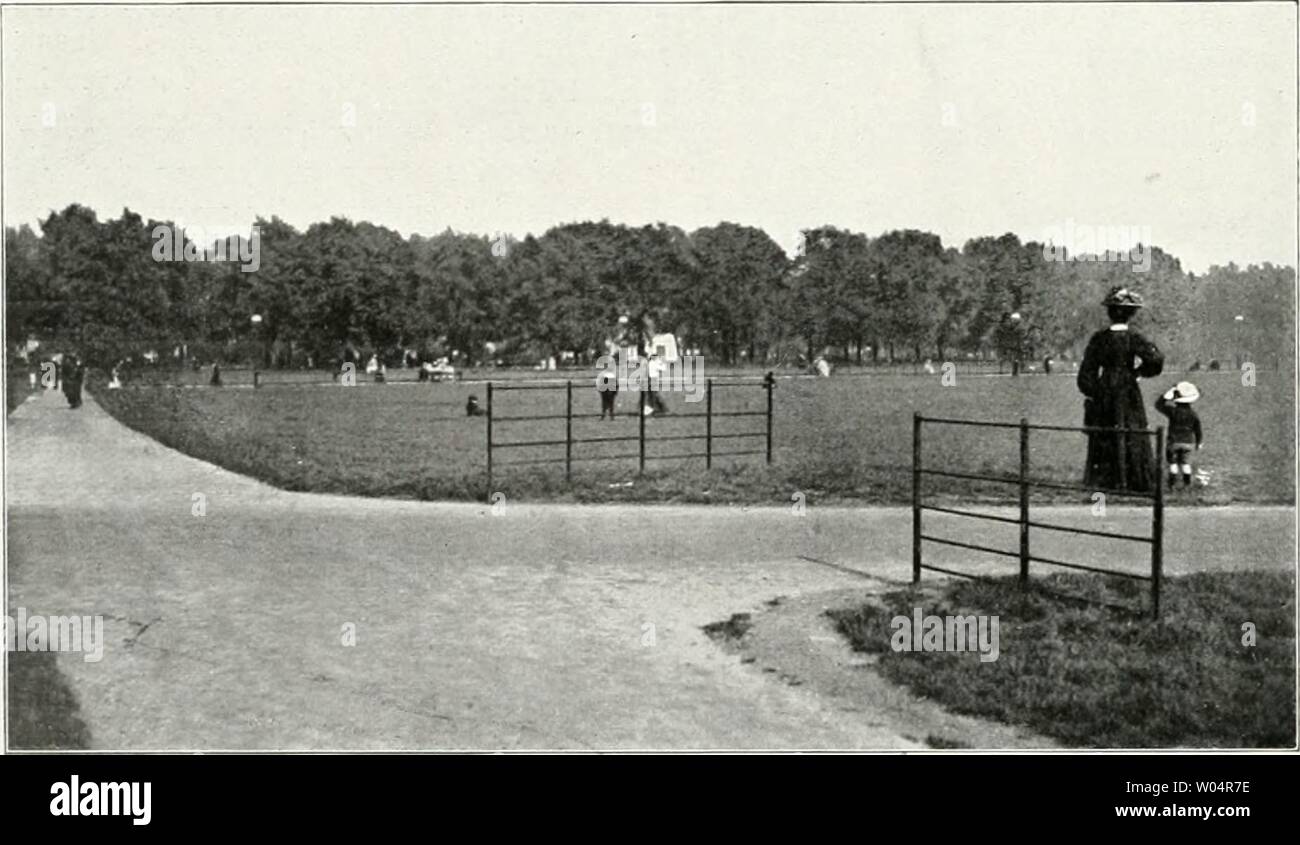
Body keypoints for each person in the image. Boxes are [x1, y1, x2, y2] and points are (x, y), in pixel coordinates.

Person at [1076, 287, 1164, 492]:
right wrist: (1138, 373)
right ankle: (1133, 480)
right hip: (1127, 388)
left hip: (1105, 388)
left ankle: (1106, 480)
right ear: (1131, 315)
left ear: (1110, 313)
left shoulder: (1099, 338)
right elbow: (1156, 359)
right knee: (1131, 430)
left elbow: (1086, 371)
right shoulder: (1134, 338)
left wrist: (1094, 391)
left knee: (1105, 433)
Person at [1155, 381, 1203, 490]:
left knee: (1173, 464)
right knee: (1186, 464)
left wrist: (1167, 394)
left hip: (1173, 441)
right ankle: (1187, 485)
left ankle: (1171, 485)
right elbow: (1198, 429)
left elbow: (1159, 405)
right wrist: (1199, 442)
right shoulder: (1193, 414)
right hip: (1189, 442)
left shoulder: (1173, 411)